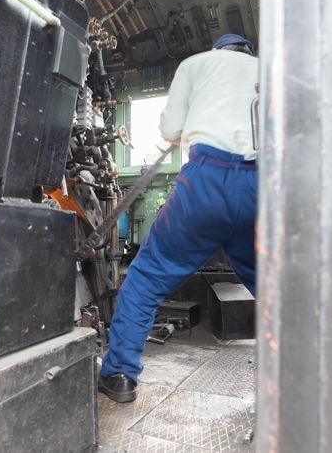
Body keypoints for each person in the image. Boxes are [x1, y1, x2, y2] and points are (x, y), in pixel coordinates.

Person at [98, 34, 259, 403]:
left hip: (207, 178)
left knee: (147, 277)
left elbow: (171, 130)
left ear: (218, 50)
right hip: (262, 186)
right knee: (280, 292)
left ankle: (120, 374)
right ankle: (302, 383)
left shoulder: (197, 64)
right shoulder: (272, 72)